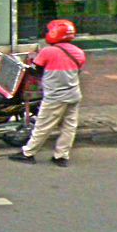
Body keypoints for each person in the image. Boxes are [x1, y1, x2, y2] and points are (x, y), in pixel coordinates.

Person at [9, 18, 86, 168]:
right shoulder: (79, 52)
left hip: (55, 97)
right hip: (74, 94)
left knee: (43, 126)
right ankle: (61, 156)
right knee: (69, 127)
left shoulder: (48, 51)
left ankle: (28, 153)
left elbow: (35, 70)